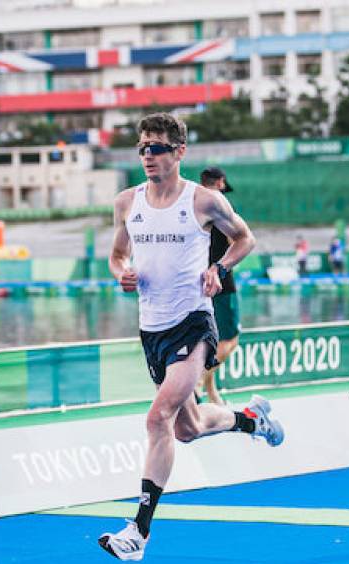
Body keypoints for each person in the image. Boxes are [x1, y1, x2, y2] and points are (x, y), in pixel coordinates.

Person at [99, 113, 284, 561]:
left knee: (157, 418)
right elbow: (117, 254)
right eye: (143, 147)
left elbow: (245, 239)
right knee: (188, 428)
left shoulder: (202, 202)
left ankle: (138, 533)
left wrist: (219, 269)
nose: (148, 156)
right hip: (152, 328)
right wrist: (122, 273)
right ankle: (252, 419)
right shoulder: (127, 202)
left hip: (193, 323)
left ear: (179, 152)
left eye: (158, 148)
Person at [198, 166, 240, 405]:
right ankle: (198, 381)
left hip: (199, 282)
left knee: (210, 340)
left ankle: (211, 392)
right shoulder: (222, 206)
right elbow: (237, 240)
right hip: (221, 281)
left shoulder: (194, 206)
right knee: (229, 341)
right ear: (221, 182)